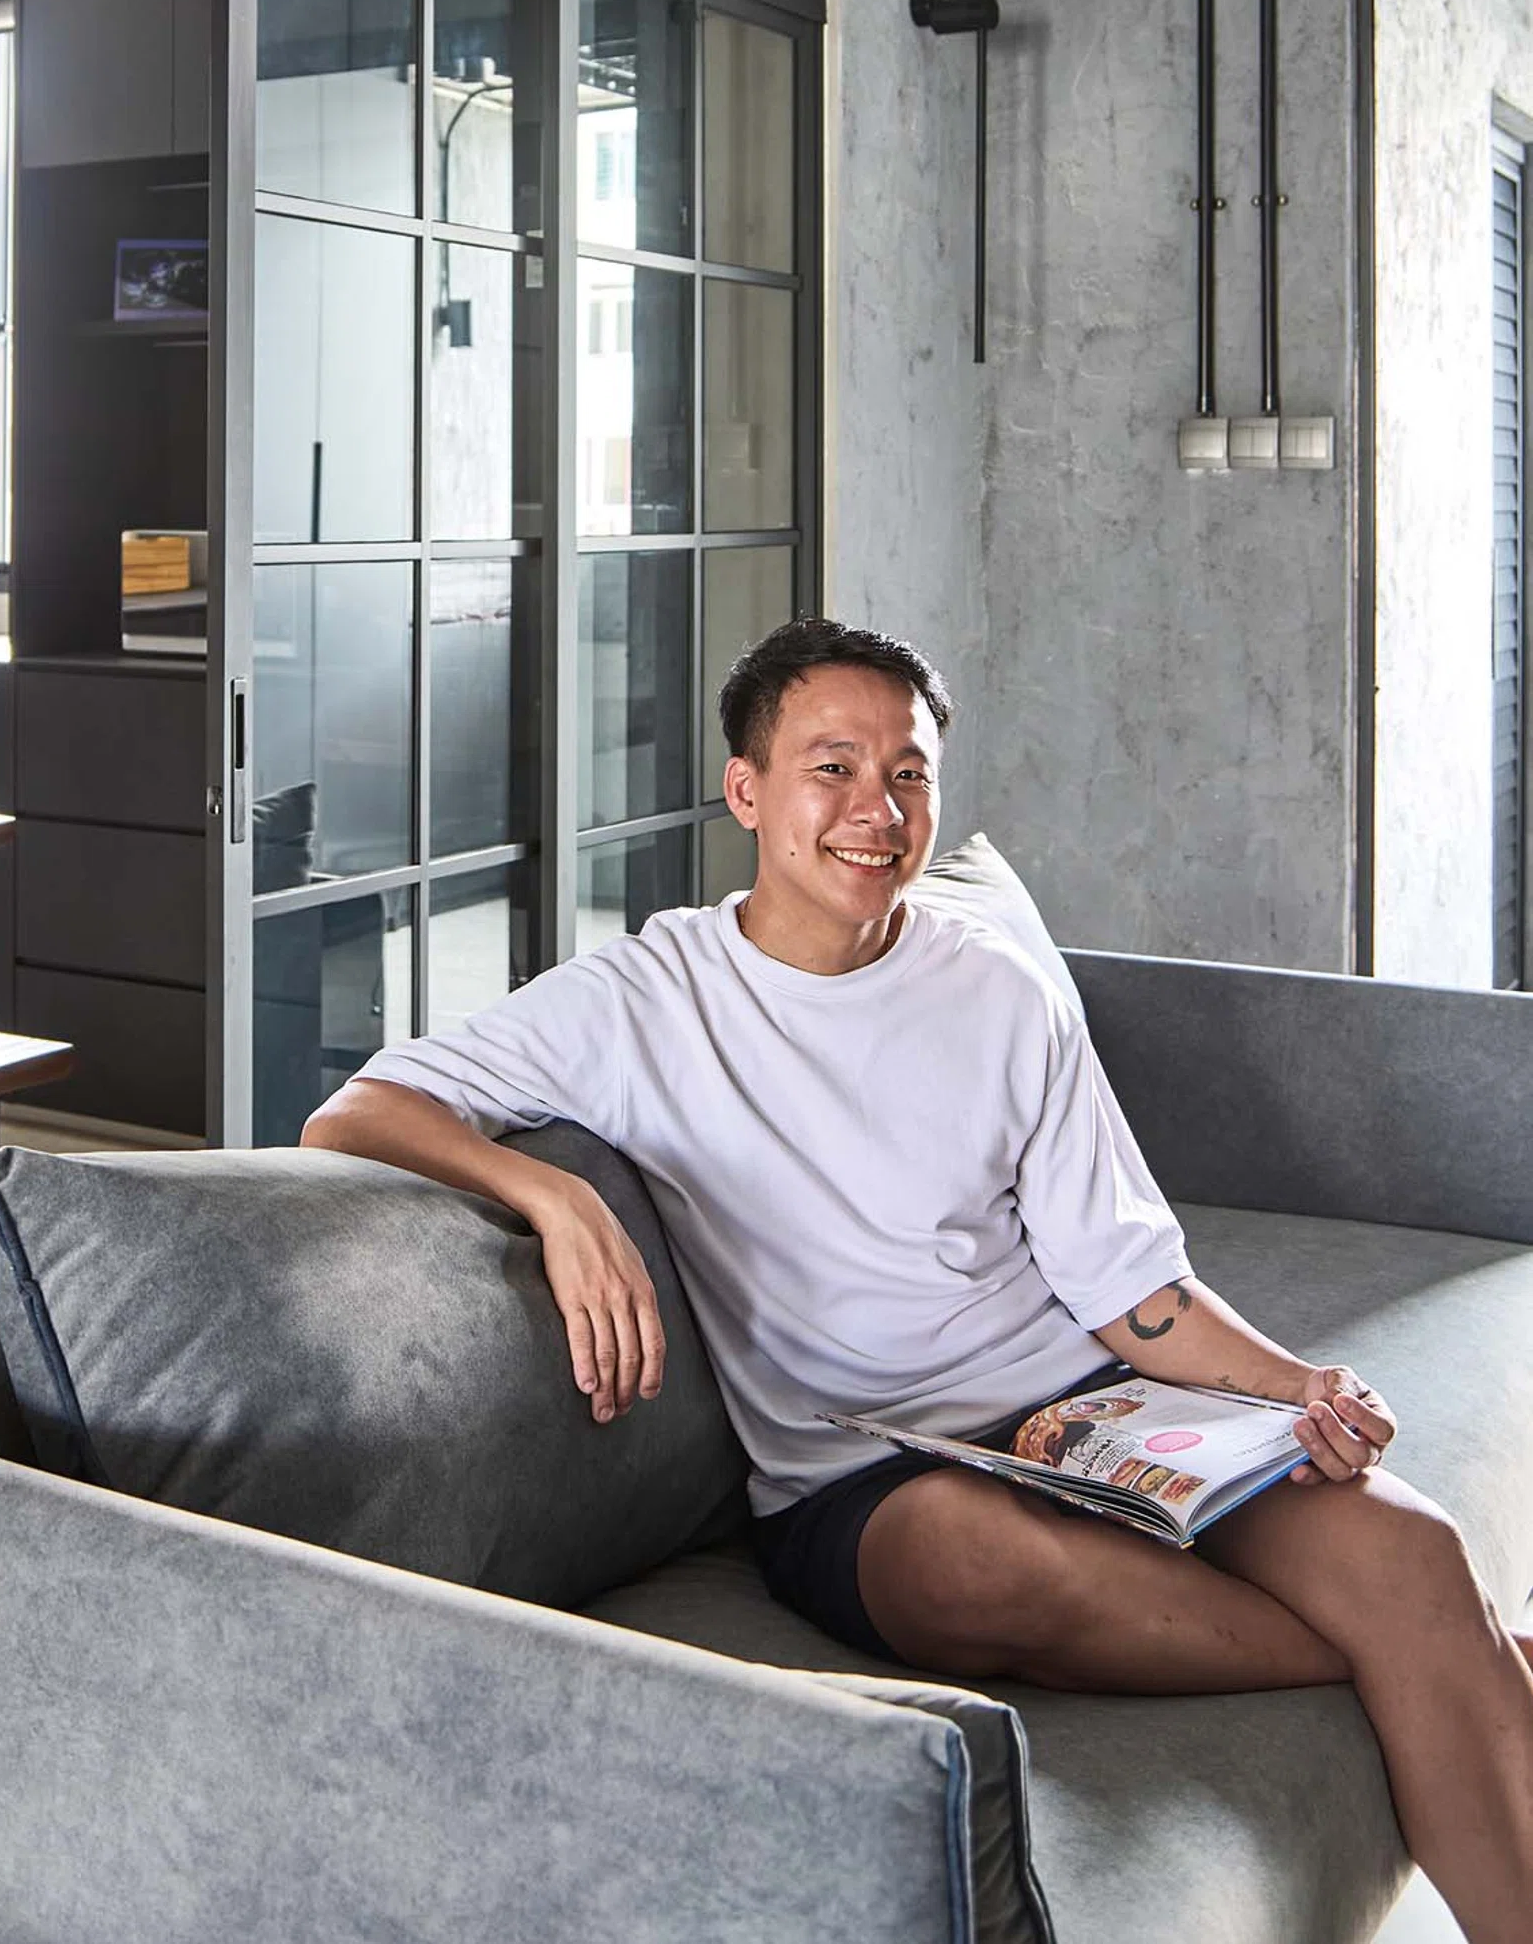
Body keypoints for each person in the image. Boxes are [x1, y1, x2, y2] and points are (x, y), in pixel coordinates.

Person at [304, 616, 1533, 1940]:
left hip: (1095, 1410)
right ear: (747, 791)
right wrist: (552, 1194)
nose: (876, 811)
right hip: (869, 1473)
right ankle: (1433, 1656)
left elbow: (1131, 1286)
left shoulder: (997, 986)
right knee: (986, 1564)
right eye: (832, 769)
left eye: (908, 775)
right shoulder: (640, 999)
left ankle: (1433, 1655)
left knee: (1410, 1548)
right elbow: (355, 1112)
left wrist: (1300, 1387)